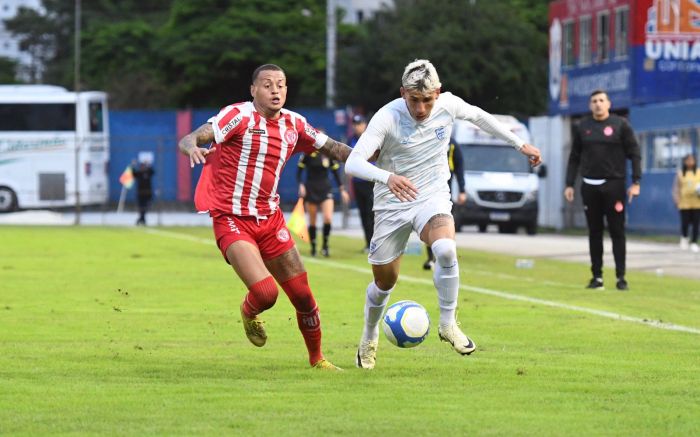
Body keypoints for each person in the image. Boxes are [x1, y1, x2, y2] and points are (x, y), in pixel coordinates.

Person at [344, 59, 542, 369]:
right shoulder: (387, 116)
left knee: (446, 249)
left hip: (431, 196)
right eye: (414, 100)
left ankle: (448, 324)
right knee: (385, 283)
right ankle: (369, 336)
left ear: (438, 92)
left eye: (427, 100)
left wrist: (520, 144)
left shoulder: (448, 105)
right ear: (402, 93)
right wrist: (387, 178)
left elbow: (480, 117)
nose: (421, 108)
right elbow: (353, 162)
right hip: (390, 203)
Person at [177, 64, 352, 370]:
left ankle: (318, 360)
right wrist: (192, 146)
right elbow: (194, 136)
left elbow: (335, 149)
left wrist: (376, 158)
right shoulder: (238, 116)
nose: (275, 90)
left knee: (304, 298)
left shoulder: (294, 124)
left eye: (281, 85)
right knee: (266, 293)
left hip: (269, 221)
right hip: (232, 218)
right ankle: (248, 312)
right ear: (253, 90)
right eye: (268, 85)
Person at [564, 89, 642, 292]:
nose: (598, 104)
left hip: (614, 185)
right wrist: (569, 184)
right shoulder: (583, 127)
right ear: (590, 105)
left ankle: (621, 277)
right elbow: (574, 157)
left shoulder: (620, 125)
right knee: (594, 232)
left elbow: (634, 154)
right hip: (589, 186)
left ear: (609, 104)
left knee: (617, 231)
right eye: (594, 101)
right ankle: (597, 277)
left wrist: (636, 182)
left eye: (601, 100)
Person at [297, 149, 349, 257]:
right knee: (313, 220)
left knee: (328, 218)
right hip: (311, 189)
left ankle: (325, 246)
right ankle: (314, 247)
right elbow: (299, 172)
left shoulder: (328, 154)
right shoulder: (307, 153)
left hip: (325, 189)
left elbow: (335, 173)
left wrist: (342, 190)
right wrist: (301, 185)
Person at [423, 141, 466, 270]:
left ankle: (446, 256)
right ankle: (431, 258)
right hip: (427, 190)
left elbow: (460, 168)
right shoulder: (427, 139)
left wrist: (462, 190)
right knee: (429, 223)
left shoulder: (452, 144)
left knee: (444, 224)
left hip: (445, 193)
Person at [348, 115, 375, 252]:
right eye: (354, 123)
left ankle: (375, 243)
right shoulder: (351, 140)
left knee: (372, 214)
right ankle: (368, 243)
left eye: (359, 123)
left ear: (365, 125)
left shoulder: (370, 138)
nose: (356, 126)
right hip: (358, 182)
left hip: (370, 181)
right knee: (363, 214)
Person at [672, 154, 700, 253]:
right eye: (688, 160)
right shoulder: (680, 174)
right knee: (685, 223)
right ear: (684, 162)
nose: (690, 162)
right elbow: (676, 188)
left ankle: (694, 242)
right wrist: (677, 200)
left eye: (692, 160)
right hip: (684, 203)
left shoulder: (698, 172)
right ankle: (684, 238)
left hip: (697, 203)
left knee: (696, 224)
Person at [132, 160, 154, 226]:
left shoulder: (148, 172)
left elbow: (153, 171)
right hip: (140, 193)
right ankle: (142, 219)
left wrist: (149, 165)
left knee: (146, 207)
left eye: (144, 166)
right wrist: (133, 166)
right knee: (141, 207)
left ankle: (141, 219)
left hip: (147, 193)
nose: (143, 167)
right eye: (142, 166)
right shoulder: (139, 173)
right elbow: (133, 174)